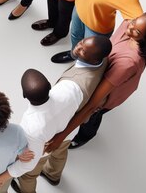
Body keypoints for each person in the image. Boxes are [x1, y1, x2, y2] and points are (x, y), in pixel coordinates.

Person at [45, 11, 146, 152]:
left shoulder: (128, 63)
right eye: (134, 21)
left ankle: (86, 135)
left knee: (94, 114)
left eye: (137, 31)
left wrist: (62, 136)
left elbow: (92, 104)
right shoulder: (129, 24)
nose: (130, 28)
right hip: (105, 75)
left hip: (109, 93)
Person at [8, 35, 112, 193]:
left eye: (84, 51)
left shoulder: (36, 121)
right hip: (69, 132)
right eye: (82, 43)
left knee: (28, 176)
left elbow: (30, 159)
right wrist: (63, 135)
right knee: (60, 154)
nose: (78, 47)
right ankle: (53, 175)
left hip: (48, 142)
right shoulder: (101, 62)